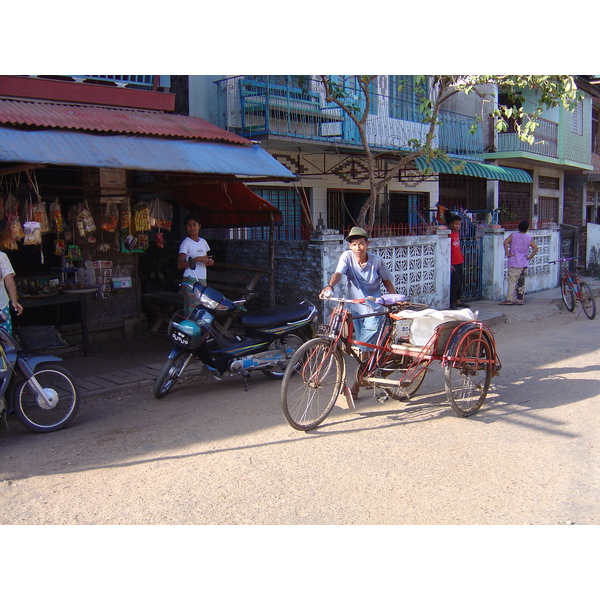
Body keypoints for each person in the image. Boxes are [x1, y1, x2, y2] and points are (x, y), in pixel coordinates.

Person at [320, 227, 395, 396]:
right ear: (350, 246)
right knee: (363, 347)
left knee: (362, 345)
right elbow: (338, 274)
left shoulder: (377, 261)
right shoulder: (347, 257)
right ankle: (368, 373)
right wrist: (330, 286)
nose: (358, 248)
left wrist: (393, 299)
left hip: (373, 309)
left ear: (367, 244)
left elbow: (387, 281)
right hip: (354, 308)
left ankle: (356, 384)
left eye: (361, 244)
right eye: (354, 245)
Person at [177, 213, 214, 314]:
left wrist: (208, 262)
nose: (192, 228)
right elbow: (180, 265)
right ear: (185, 227)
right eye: (189, 225)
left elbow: (205, 260)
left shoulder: (203, 242)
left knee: (201, 309)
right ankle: (190, 329)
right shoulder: (186, 243)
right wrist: (196, 259)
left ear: (199, 226)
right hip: (190, 280)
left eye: (194, 224)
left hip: (202, 280)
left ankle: (198, 329)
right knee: (192, 309)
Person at [500, 220, 538, 306]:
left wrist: (508, 253)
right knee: (521, 282)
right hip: (523, 262)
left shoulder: (514, 235)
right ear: (527, 229)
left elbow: (505, 242)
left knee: (512, 282)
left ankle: (509, 299)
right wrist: (530, 257)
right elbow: (535, 248)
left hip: (513, 261)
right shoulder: (528, 238)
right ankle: (519, 299)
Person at [449, 214, 470, 310]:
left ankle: (458, 300)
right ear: (451, 224)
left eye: (459, 224)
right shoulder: (449, 235)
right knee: (455, 283)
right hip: (453, 262)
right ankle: (452, 302)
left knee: (460, 282)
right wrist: (449, 264)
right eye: (456, 224)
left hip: (459, 261)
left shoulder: (457, 234)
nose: (457, 226)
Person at [0, 251, 23, 334]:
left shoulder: (1, 256)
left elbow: (9, 281)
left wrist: (14, 300)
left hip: (1, 306)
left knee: (5, 340)